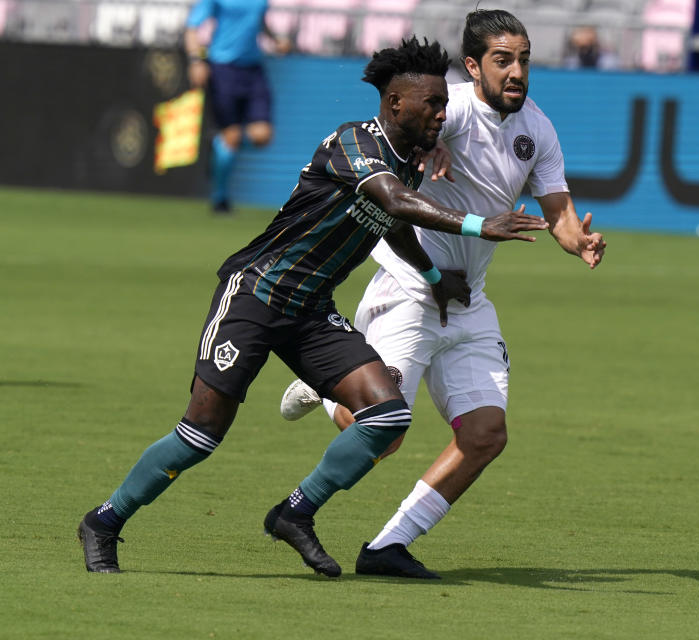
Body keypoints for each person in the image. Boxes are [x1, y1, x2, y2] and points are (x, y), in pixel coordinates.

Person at [76, 36, 550, 576]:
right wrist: (478, 223)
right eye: (433, 105)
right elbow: (393, 201)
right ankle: (104, 521)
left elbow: (392, 222)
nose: (444, 115)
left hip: (309, 310)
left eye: (445, 104)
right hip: (255, 295)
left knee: (388, 416)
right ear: (396, 104)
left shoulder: (409, 161)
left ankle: (294, 513)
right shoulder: (353, 143)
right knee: (200, 436)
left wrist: (435, 276)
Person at [280, 9, 607, 579]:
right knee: (384, 439)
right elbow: (392, 141)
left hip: (468, 298)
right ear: (474, 66)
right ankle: (327, 385)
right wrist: (424, 148)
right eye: (503, 60)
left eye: (524, 59)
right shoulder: (446, 106)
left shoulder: (539, 129)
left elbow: (559, 215)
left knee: (486, 434)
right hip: (411, 285)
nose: (516, 72)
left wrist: (577, 240)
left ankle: (388, 546)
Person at [184, 0, 292, 213]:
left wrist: (274, 39)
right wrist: (196, 60)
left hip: (253, 70)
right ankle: (220, 198)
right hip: (223, 68)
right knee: (231, 136)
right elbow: (192, 27)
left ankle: (219, 146)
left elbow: (257, 21)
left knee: (262, 136)